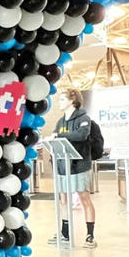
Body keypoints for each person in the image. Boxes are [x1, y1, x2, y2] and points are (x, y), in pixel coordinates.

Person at [50, 89, 101, 246]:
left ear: (72, 101)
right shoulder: (60, 122)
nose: (59, 102)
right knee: (64, 199)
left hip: (80, 165)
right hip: (63, 166)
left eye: (62, 99)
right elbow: (55, 137)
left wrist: (60, 136)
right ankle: (65, 233)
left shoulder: (83, 118)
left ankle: (90, 235)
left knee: (84, 197)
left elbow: (81, 135)